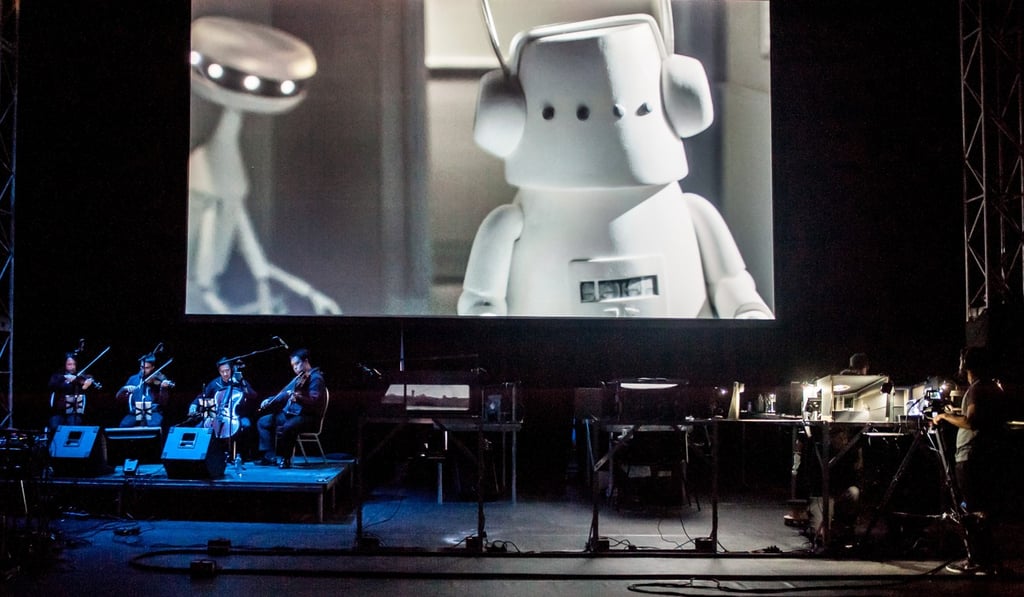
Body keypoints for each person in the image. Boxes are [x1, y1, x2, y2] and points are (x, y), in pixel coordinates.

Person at [932, 346, 1008, 574]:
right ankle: (988, 559)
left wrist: (945, 416)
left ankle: (976, 559)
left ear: (966, 365)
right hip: (988, 455)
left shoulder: (977, 389)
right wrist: (956, 412)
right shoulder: (993, 388)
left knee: (973, 509)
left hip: (971, 456)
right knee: (984, 508)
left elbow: (971, 422)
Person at [256, 348, 326, 468]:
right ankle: (269, 456)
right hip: (293, 414)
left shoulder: (315, 378)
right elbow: (284, 394)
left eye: (297, 363)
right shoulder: (299, 378)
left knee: (288, 426)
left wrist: (298, 398)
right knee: (263, 422)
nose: (295, 368)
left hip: (308, 416)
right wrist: (270, 400)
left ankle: (286, 458)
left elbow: (314, 401)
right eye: (293, 365)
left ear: (306, 361)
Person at [188, 358, 260, 458]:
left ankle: (241, 455)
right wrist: (193, 406)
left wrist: (242, 383)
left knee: (246, 425)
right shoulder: (215, 383)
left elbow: (253, 395)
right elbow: (201, 396)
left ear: (231, 369)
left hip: (237, 416)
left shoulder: (239, 382)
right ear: (219, 372)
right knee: (199, 427)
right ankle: (200, 455)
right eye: (222, 371)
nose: (225, 374)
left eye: (227, 370)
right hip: (218, 415)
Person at [115, 353, 174, 428]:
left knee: (153, 426)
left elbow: (164, 402)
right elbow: (118, 397)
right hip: (137, 410)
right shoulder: (133, 379)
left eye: (147, 368)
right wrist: (124, 388)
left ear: (152, 367)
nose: (143, 371)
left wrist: (163, 389)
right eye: (142, 367)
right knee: (124, 426)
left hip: (152, 410)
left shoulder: (159, 378)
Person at [46, 352, 100, 433]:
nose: (72, 367)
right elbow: (51, 384)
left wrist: (85, 386)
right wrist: (65, 377)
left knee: (74, 426)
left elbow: (86, 389)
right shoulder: (57, 376)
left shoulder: (80, 376)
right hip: (58, 409)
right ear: (64, 365)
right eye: (69, 364)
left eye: (74, 364)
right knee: (54, 426)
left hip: (74, 407)